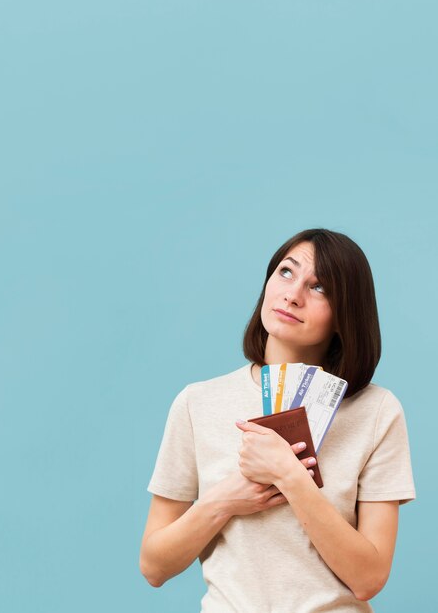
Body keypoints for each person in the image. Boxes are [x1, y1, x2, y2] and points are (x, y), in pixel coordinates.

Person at [139, 228, 416, 613]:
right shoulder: (197, 403)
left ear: (345, 315)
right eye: (286, 272)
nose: (293, 294)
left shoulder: (376, 411)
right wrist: (223, 501)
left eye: (319, 288)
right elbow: (154, 566)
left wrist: (289, 475)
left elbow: (369, 579)